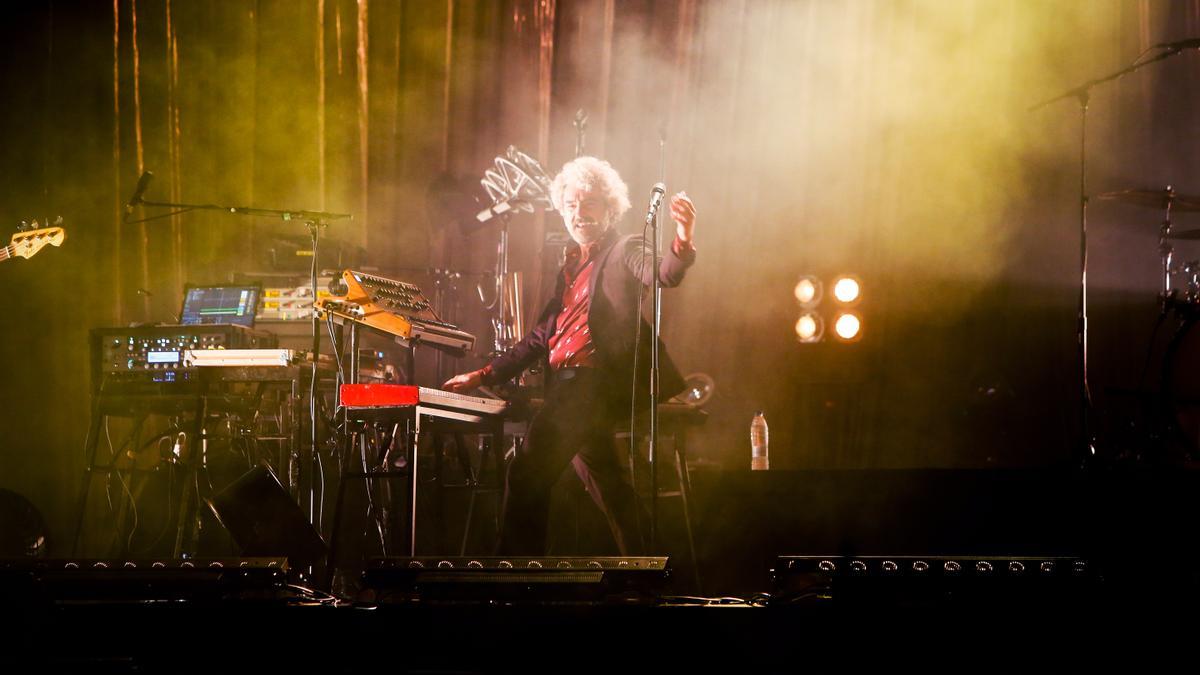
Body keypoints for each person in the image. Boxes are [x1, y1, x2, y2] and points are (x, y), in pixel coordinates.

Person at [443, 156, 697, 555]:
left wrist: (682, 238)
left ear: (609, 208)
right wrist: (483, 375)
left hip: (589, 384)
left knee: (527, 472)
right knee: (611, 488)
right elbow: (541, 336)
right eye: (572, 205)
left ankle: (515, 576)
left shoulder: (624, 247)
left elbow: (663, 273)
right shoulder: (571, 268)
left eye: (590, 203)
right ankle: (651, 571)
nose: (580, 213)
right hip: (574, 388)